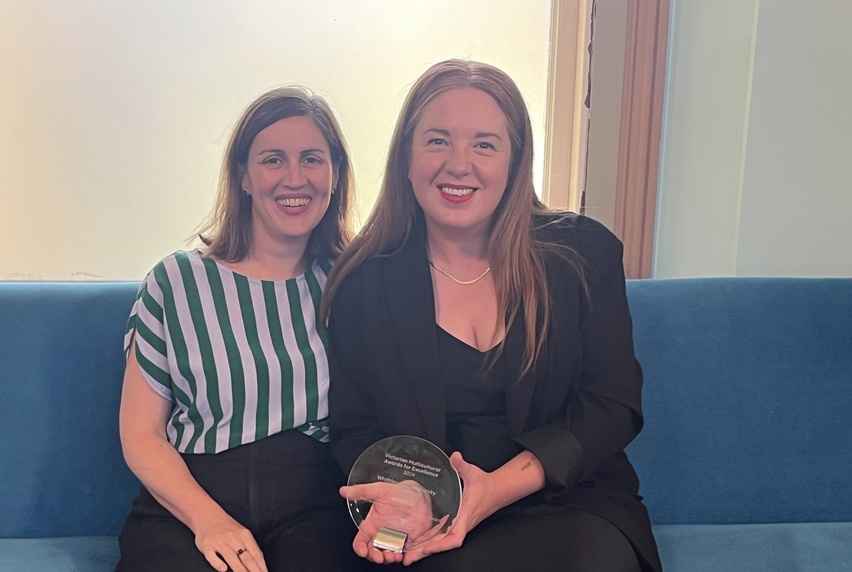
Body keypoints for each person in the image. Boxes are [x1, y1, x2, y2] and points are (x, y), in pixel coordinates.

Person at [322, 60, 662, 571]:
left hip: (572, 504)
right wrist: (406, 497)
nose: (459, 164)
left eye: (484, 144)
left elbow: (612, 405)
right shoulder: (361, 286)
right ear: (406, 160)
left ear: (514, 160)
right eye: (437, 141)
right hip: (436, 516)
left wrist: (494, 490)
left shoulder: (585, 255)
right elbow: (355, 429)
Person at [117, 86, 366, 572]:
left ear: (334, 175)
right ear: (244, 177)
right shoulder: (175, 281)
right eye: (273, 160)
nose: (295, 178)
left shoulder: (352, 283)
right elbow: (141, 433)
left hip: (315, 506)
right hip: (191, 503)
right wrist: (210, 521)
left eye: (312, 159)